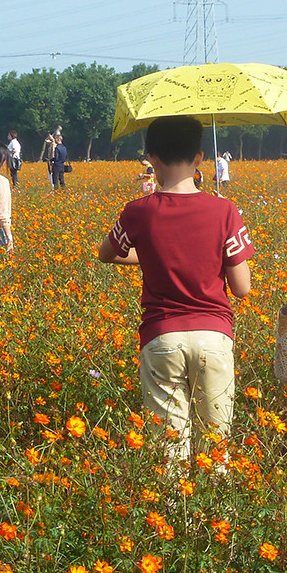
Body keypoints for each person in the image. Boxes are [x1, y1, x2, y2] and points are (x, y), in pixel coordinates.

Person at [97, 116, 253, 463]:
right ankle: (213, 514)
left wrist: (153, 256)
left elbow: (107, 254)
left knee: (169, 447)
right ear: (199, 158)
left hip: (161, 336)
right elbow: (242, 288)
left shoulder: (138, 212)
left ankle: (171, 511)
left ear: (151, 158)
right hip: (213, 336)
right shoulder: (225, 210)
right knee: (216, 447)